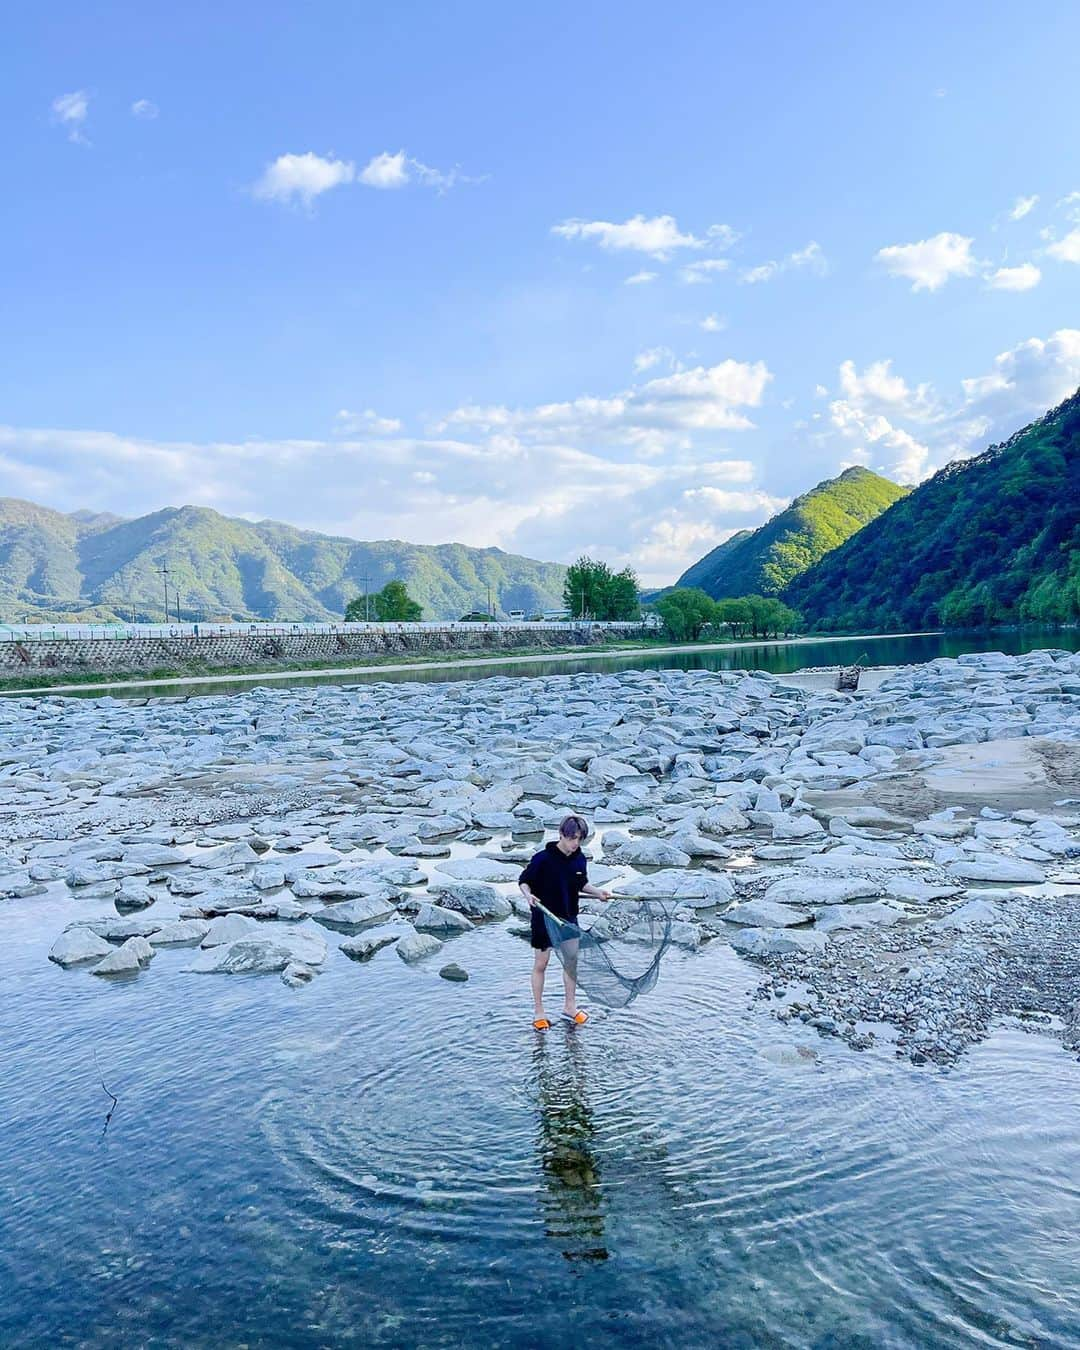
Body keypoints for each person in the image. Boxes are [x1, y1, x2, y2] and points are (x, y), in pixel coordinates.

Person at [519, 814, 612, 1030]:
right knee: (541, 964)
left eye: (580, 839)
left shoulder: (579, 858)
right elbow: (524, 881)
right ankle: (539, 1012)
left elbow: (581, 884)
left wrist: (598, 893)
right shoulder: (543, 859)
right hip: (544, 918)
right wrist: (528, 895)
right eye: (572, 838)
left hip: (569, 917)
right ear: (562, 834)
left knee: (571, 963)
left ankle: (570, 1007)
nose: (575, 844)